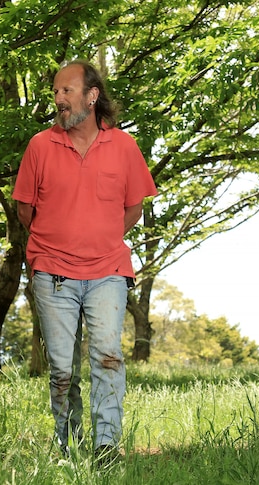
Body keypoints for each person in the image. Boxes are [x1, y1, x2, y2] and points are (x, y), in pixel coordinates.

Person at [13, 60, 157, 462]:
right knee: (62, 371)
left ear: (91, 96)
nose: (59, 99)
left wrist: (101, 237)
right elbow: (25, 209)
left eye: (67, 91)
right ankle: (69, 447)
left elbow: (133, 208)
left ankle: (107, 446)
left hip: (108, 271)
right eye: (56, 92)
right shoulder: (40, 145)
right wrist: (59, 236)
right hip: (53, 273)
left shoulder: (124, 146)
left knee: (108, 358)